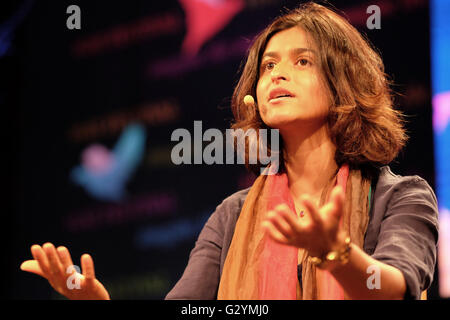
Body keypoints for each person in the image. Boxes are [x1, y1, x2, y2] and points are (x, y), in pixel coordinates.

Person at [20, 2, 438, 300]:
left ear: (344, 82)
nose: (277, 74)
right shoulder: (232, 215)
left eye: (302, 62)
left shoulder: (401, 197)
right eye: (269, 65)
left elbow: (392, 290)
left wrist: (337, 253)